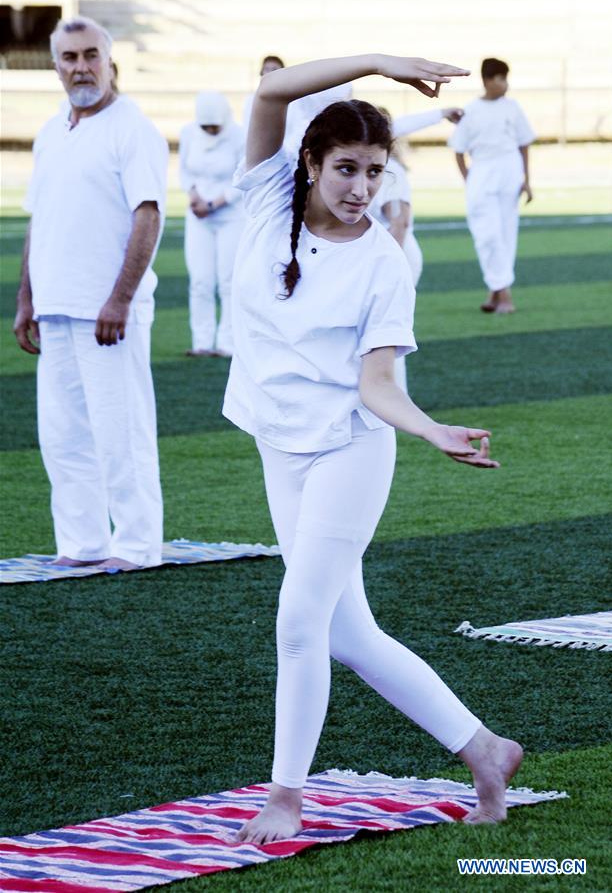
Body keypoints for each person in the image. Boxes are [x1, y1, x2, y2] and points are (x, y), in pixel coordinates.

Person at [222, 53, 524, 844]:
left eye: (375, 171)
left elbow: (377, 384)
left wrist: (428, 428)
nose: (361, 188)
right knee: (345, 634)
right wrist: (378, 64)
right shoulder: (263, 194)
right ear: (311, 162)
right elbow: (269, 91)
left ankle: (286, 797)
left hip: (346, 451)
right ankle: (484, 750)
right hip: (278, 442)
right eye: (346, 169)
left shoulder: (384, 265)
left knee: (298, 621)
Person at [13, 16, 167, 570]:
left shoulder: (133, 129)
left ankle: (136, 547)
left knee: (121, 432)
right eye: (69, 57)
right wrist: (26, 300)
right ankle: (80, 546)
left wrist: (120, 298)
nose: (81, 66)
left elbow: (147, 216)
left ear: (110, 61)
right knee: (63, 438)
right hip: (54, 309)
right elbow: (40, 220)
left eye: (90, 55)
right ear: (55, 65)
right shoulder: (52, 131)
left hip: (108, 312)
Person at [371, 106, 463, 391]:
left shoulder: (391, 171)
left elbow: (400, 223)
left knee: (385, 333)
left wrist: (386, 267)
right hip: (378, 254)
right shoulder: (374, 165)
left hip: (396, 255)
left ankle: (391, 401)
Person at [449, 57, 535, 313]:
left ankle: (498, 293)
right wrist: (469, 179)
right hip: (482, 171)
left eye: (506, 78)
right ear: (487, 80)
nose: (505, 84)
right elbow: (458, 149)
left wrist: (527, 181)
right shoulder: (471, 110)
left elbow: (524, 144)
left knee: (506, 233)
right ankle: (501, 291)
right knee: (487, 233)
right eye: (500, 78)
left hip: (509, 170)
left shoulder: (513, 108)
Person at [179, 91, 245, 357]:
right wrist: (193, 195)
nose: (210, 131)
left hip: (230, 215)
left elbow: (243, 177)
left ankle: (227, 342)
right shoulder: (188, 133)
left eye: (214, 127)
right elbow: (184, 170)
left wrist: (215, 203)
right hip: (198, 216)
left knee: (228, 281)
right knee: (200, 281)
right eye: (205, 127)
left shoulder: (239, 136)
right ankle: (202, 342)